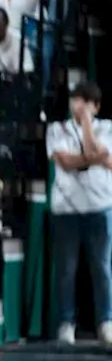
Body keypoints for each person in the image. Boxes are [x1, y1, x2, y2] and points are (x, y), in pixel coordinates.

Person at [45, 81, 112, 345]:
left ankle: (106, 321)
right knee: (66, 270)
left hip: (100, 207)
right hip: (66, 209)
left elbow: (103, 154)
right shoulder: (57, 128)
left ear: (95, 106)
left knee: (103, 268)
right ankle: (66, 322)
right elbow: (65, 161)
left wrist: (86, 126)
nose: (79, 105)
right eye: (75, 100)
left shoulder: (107, 127)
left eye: (85, 102)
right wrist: (94, 159)